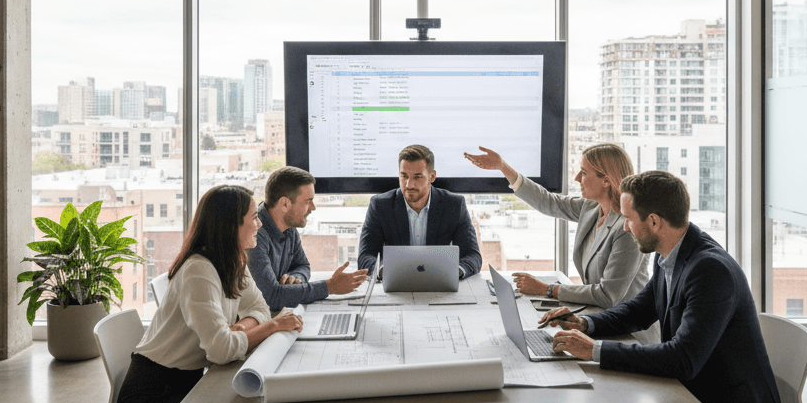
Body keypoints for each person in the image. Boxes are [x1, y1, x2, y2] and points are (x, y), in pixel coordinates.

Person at [539, 171, 788, 403]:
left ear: (654, 221)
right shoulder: (669, 252)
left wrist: (594, 350)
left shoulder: (710, 271)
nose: (625, 228)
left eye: (630, 219)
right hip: (695, 398)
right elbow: (639, 310)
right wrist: (586, 323)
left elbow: (682, 360)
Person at [116, 185, 303, 403]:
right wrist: (271, 327)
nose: (259, 224)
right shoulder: (199, 271)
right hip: (151, 401)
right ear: (231, 226)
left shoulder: (232, 260)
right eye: (253, 218)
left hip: (186, 383)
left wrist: (243, 328)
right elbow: (221, 351)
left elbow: (258, 307)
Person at [463, 143, 648, 308]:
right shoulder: (591, 208)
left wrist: (548, 289)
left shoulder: (628, 228)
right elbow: (548, 202)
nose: (576, 178)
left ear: (606, 180)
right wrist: (502, 167)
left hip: (630, 334)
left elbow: (607, 295)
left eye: (583, 173)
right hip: (600, 317)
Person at [248, 166, 367, 314]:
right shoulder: (254, 234)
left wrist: (295, 278)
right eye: (307, 202)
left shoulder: (288, 226)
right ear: (285, 204)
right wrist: (330, 286)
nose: (313, 207)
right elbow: (271, 297)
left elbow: (302, 265)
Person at [356, 144, 482, 279]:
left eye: (417, 177)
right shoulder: (380, 205)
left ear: (432, 176)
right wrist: (384, 272)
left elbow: (472, 256)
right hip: (396, 284)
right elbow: (365, 257)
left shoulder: (454, 205)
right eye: (404, 176)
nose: (409, 185)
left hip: (440, 283)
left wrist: (453, 272)